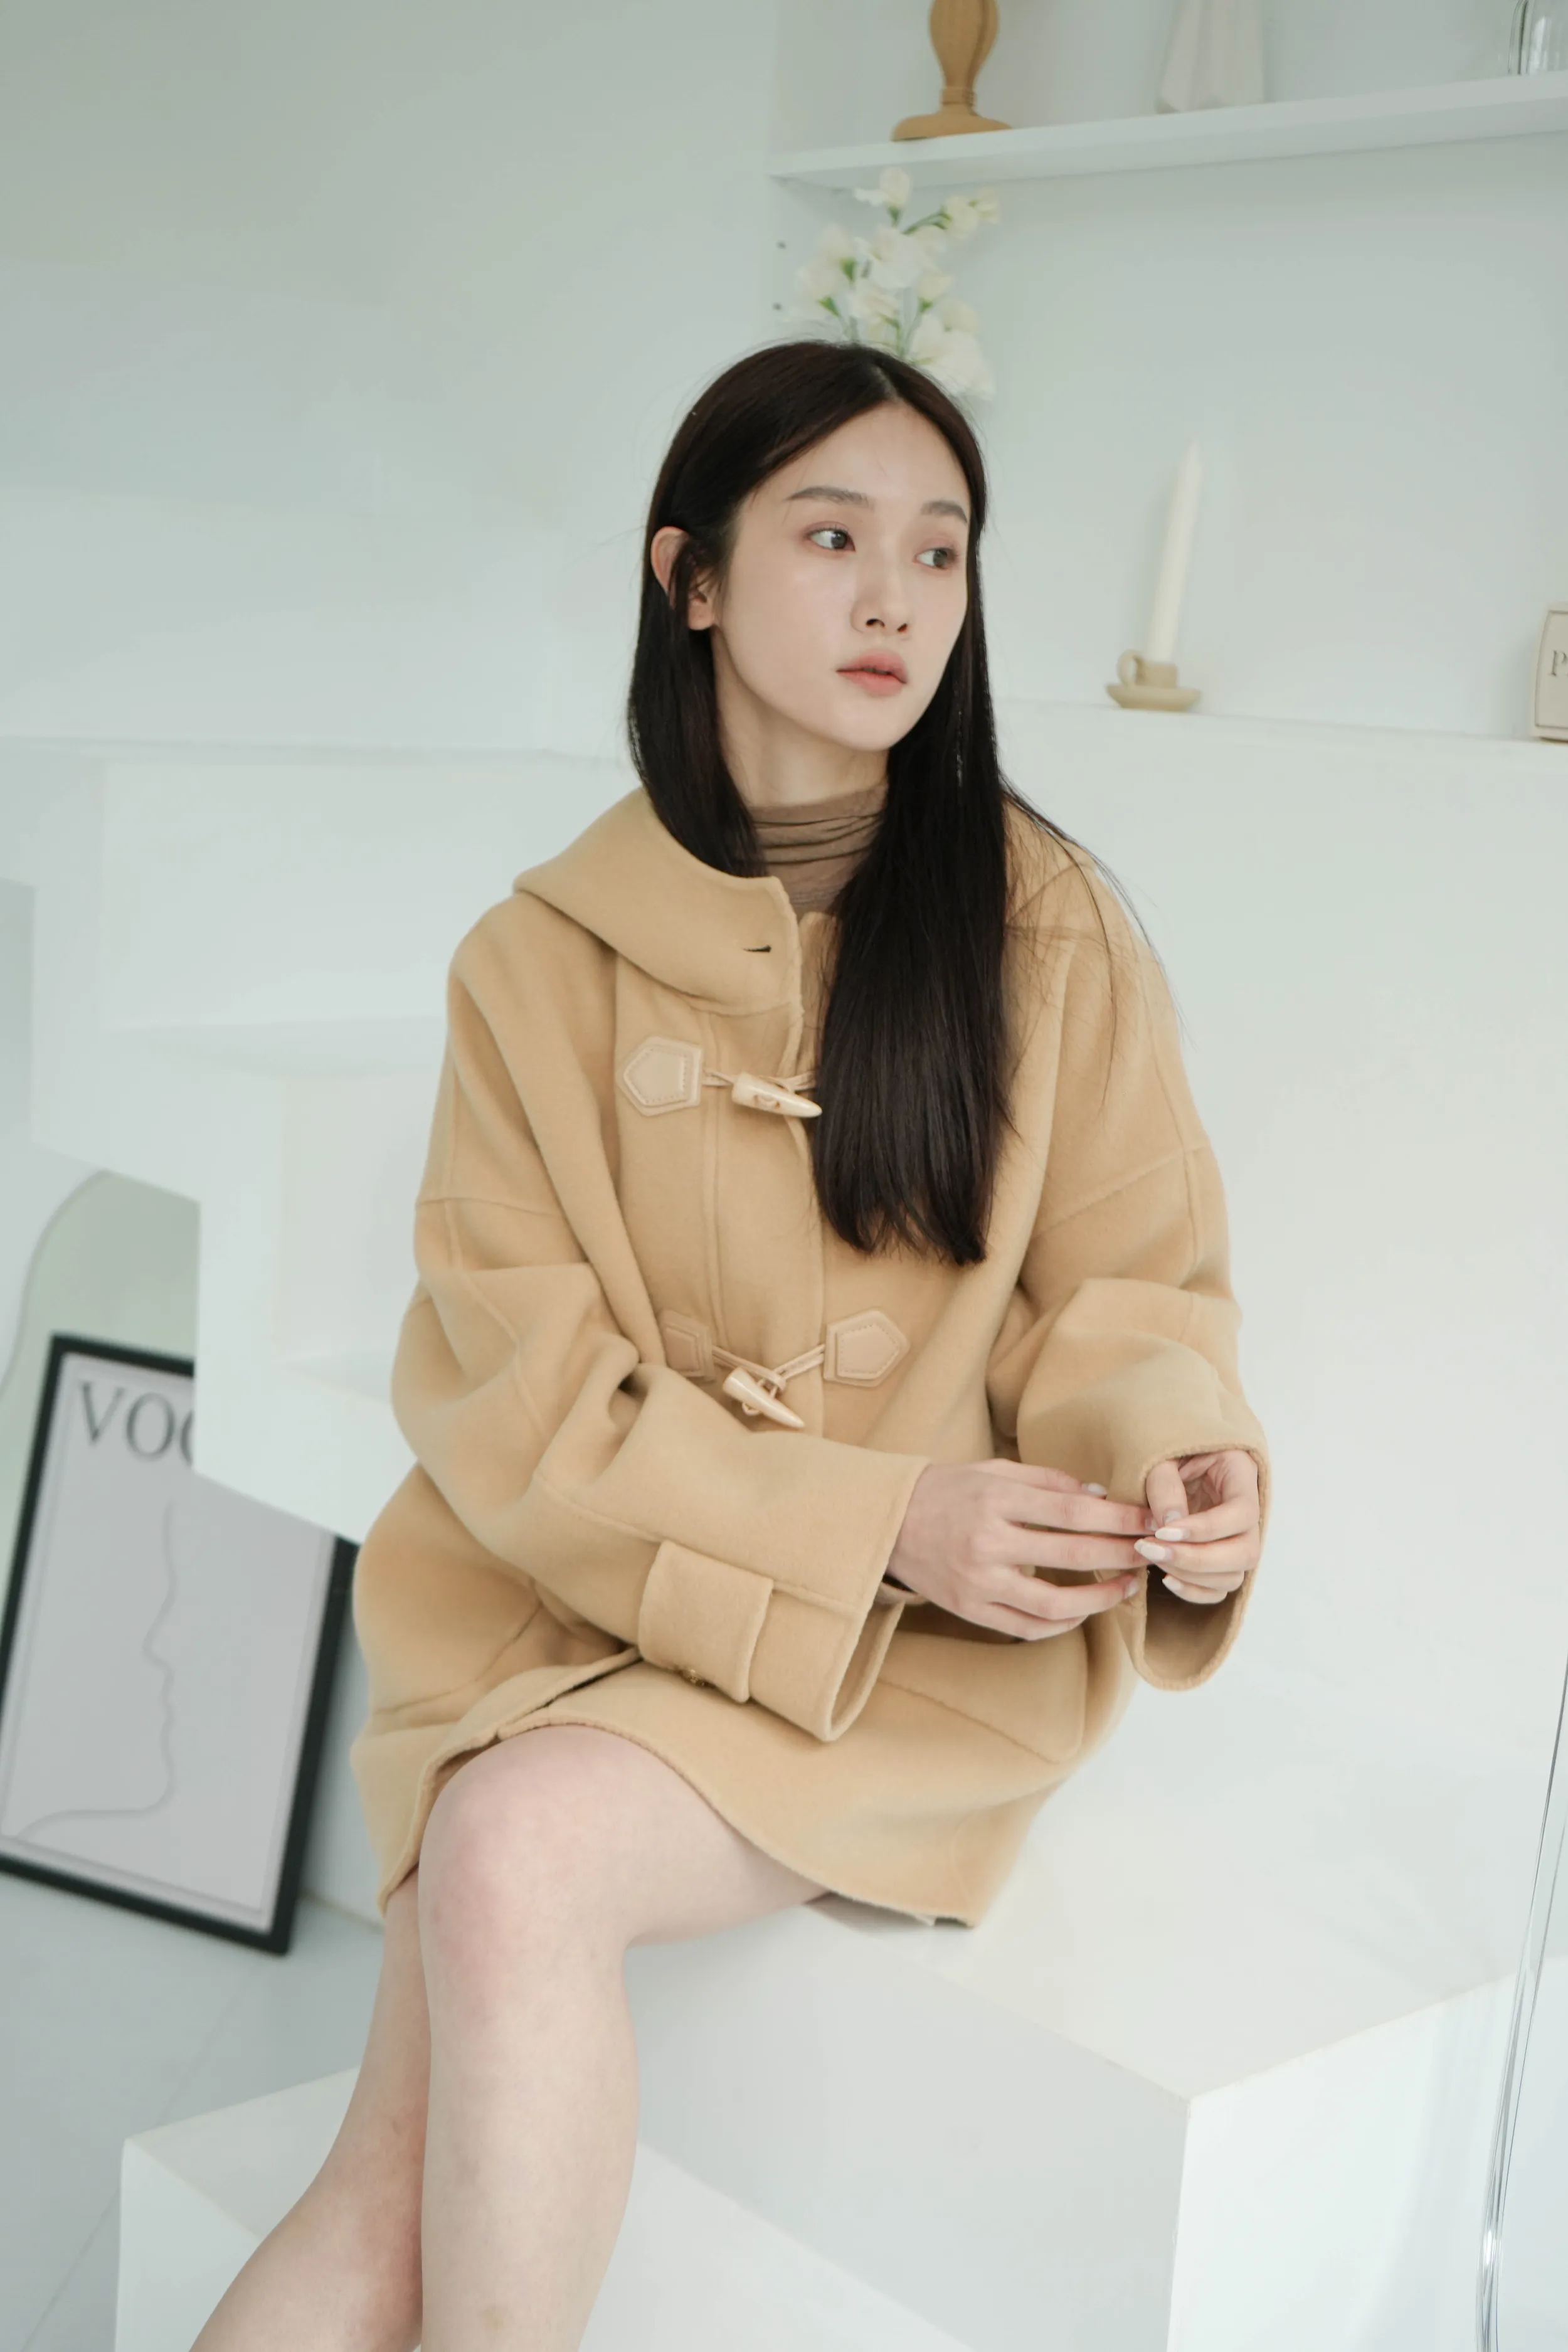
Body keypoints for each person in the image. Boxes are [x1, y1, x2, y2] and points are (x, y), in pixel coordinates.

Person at [193, 339, 1269, 2351]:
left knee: (510, 1853)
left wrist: (1178, 1469)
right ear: (687, 576)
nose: (895, 600)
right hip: (568, 1600)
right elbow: (522, 1401)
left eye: (938, 552)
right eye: (832, 537)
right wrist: (871, 1511)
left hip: (914, 1659)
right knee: (383, 2176)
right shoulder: (532, 965)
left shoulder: (1046, 925)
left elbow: (1132, 1294)